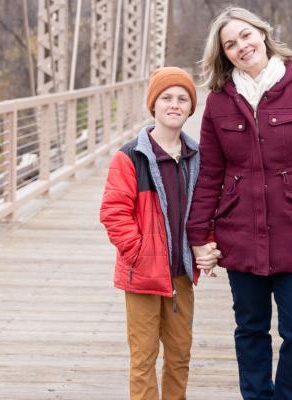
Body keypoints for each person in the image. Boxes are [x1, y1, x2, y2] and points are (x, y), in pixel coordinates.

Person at [187, 6, 292, 400]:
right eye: (230, 44)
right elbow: (210, 173)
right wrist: (199, 235)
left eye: (245, 36)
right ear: (224, 54)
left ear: (263, 34)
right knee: (250, 328)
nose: (241, 47)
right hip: (241, 234)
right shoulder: (219, 102)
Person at [99, 67, 201, 400]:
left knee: (179, 355)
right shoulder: (130, 157)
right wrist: (140, 253)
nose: (175, 104)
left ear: (190, 108)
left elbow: (206, 209)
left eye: (182, 98)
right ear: (153, 105)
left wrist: (206, 245)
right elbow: (113, 213)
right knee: (143, 357)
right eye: (166, 98)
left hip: (181, 274)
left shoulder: (197, 157)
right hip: (142, 274)